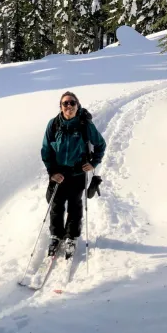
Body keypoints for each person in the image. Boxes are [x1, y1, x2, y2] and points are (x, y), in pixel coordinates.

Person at [41, 91, 106, 257]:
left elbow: (101, 145)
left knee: (75, 205)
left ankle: (71, 236)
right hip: (59, 174)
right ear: (61, 106)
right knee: (56, 205)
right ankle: (56, 235)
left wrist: (93, 163)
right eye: (65, 103)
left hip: (78, 173)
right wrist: (52, 172)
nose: (69, 106)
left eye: (72, 103)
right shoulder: (54, 124)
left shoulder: (85, 125)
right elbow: (46, 150)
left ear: (77, 105)